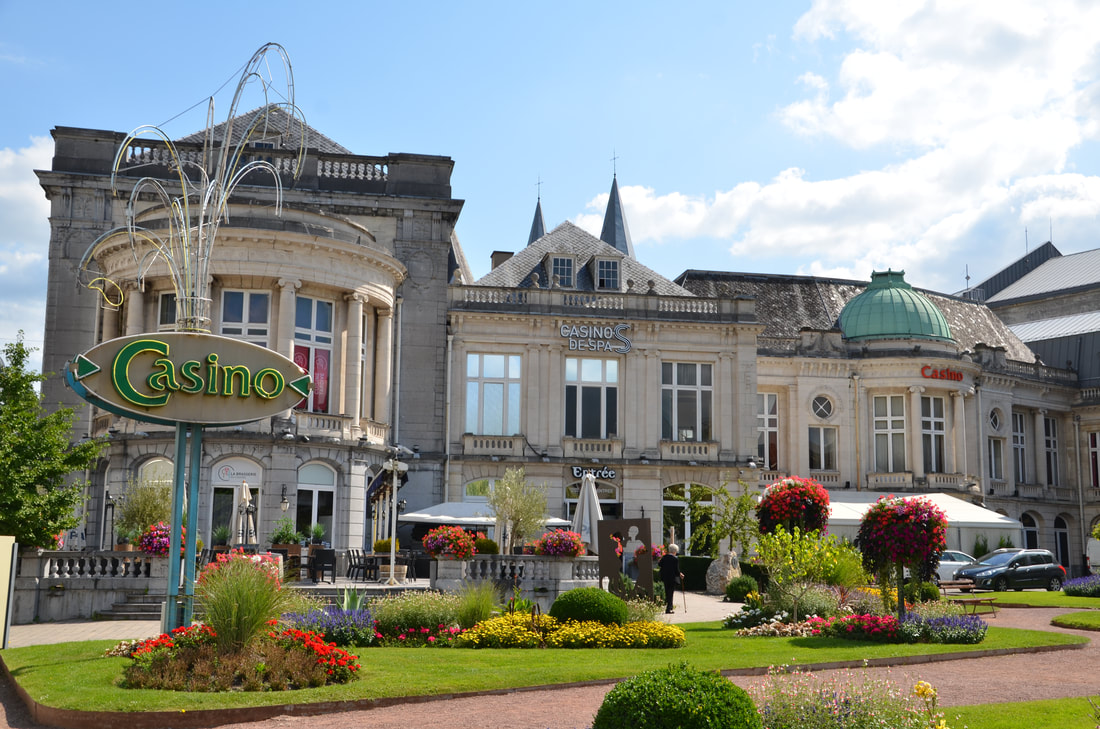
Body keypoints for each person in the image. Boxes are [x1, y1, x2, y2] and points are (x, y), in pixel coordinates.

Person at [658, 543, 682, 614]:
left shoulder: (664, 557)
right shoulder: (675, 559)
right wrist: (680, 574)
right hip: (672, 579)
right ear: (674, 551)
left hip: (665, 578)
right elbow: (676, 570)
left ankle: (669, 607)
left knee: (667, 592)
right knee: (670, 593)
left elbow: (660, 564)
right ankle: (669, 608)